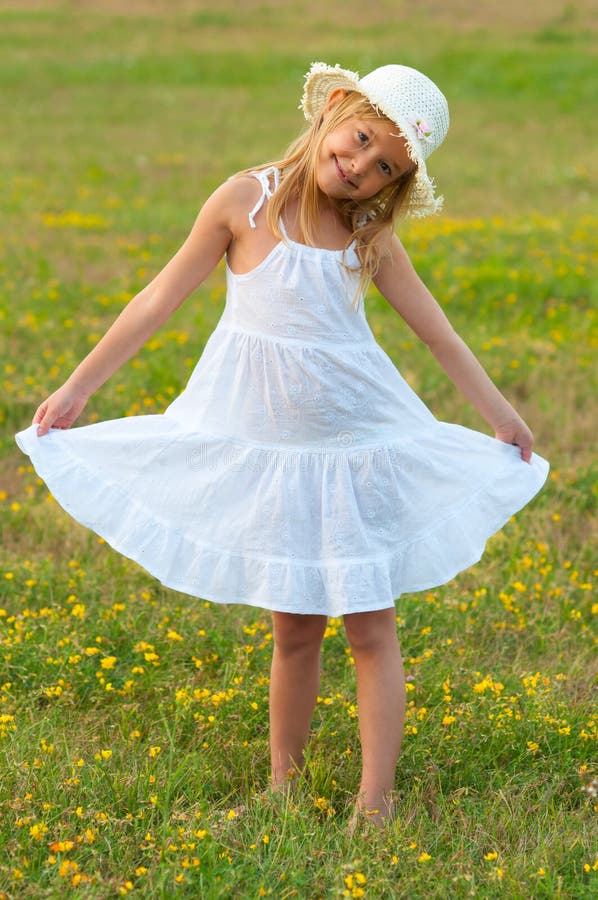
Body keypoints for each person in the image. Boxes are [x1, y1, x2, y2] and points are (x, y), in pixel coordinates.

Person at [15, 61, 549, 831]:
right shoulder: (245, 200)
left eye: (385, 169)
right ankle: (282, 788)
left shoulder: (368, 236)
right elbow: (158, 297)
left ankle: (376, 801)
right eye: (361, 140)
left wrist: (502, 416)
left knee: (371, 626)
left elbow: (437, 334)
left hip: (352, 448)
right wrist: (77, 388)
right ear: (335, 110)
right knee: (294, 629)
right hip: (267, 450)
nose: (361, 167)